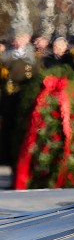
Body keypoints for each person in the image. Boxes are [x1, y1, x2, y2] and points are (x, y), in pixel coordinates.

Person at [0, 23, 39, 166]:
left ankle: (22, 158)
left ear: (28, 38)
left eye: (22, 36)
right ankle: (6, 157)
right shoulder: (5, 57)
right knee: (8, 126)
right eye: (17, 37)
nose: (19, 40)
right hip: (8, 97)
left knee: (23, 127)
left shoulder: (34, 58)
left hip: (25, 97)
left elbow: (38, 77)